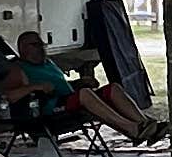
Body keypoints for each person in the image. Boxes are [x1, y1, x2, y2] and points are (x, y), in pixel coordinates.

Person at [11, 22, 162, 144]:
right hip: (50, 109)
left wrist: (79, 82)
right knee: (84, 95)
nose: (42, 48)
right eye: (36, 45)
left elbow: (61, 85)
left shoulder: (48, 63)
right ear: (23, 48)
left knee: (113, 89)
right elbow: (9, 96)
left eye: (42, 45)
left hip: (69, 99)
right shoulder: (18, 69)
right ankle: (131, 129)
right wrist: (35, 86)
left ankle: (147, 125)